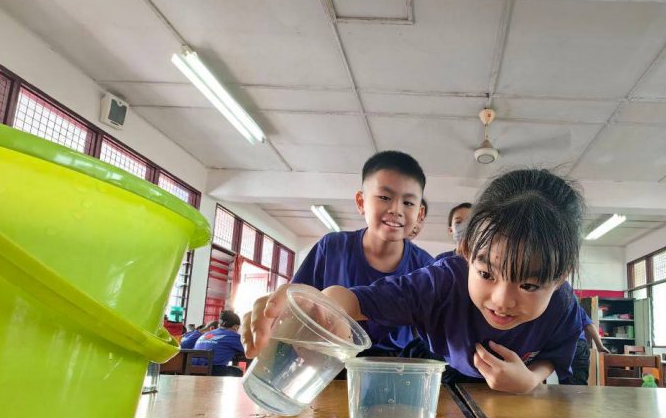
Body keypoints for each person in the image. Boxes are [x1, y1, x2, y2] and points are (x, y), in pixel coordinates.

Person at [243, 169, 587, 394]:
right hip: (441, 375)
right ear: (466, 251)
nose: (501, 299)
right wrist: (329, 305)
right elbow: (359, 300)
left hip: (515, 395)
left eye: (528, 286)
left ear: (560, 277)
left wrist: (529, 380)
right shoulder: (441, 281)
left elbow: (555, 354)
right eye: (486, 274)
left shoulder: (563, 305)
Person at [292, 151, 434, 356]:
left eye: (408, 203)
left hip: (398, 371)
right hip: (332, 363)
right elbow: (298, 304)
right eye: (385, 197)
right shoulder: (332, 248)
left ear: (419, 213)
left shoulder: (426, 268)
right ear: (361, 202)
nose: (396, 209)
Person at [561, 304, 610, 385]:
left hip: (565, 346)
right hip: (579, 346)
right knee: (578, 381)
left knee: (566, 380)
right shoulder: (574, 306)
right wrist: (599, 345)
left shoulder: (551, 305)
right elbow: (589, 324)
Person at [194, 311, 246, 377]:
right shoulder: (233, 336)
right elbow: (249, 351)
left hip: (193, 369)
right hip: (212, 371)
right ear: (235, 326)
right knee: (239, 371)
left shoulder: (206, 334)